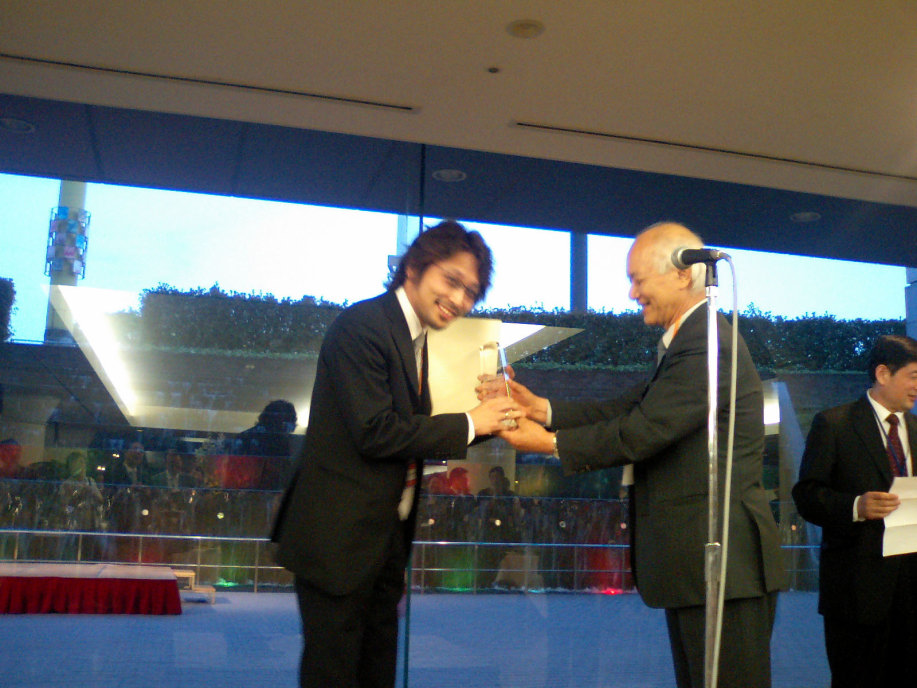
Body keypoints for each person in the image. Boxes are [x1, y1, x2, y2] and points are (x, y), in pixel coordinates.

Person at [488, 222, 786, 688]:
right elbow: (631, 408)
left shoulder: (709, 341)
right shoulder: (688, 341)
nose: (631, 293)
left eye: (637, 279)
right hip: (699, 565)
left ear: (683, 274)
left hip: (725, 564)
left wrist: (547, 443)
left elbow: (645, 430)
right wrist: (541, 409)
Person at [271, 220, 519, 688]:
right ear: (413, 268)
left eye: (471, 292)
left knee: (376, 671)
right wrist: (471, 421)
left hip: (381, 540)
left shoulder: (413, 339)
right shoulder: (363, 326)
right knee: (333, 674)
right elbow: (375, 432)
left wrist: (492, 421)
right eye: (451, 280)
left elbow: (409, 435)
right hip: (338, 542)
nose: (460, 299)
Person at [792, 334, 917, 687]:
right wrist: (855, 506)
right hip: (857, 592)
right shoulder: (835, 424)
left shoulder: (916, 429)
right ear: (883, 374)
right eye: (913, 376)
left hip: (911, 590)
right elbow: (806, 495)